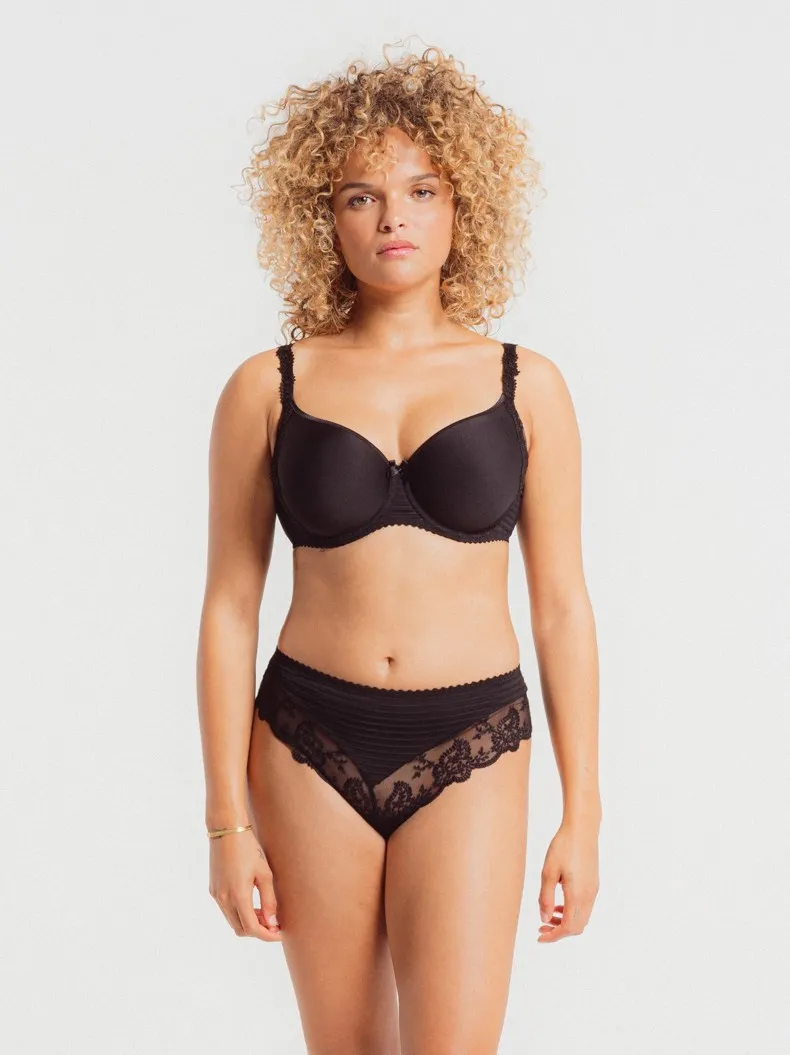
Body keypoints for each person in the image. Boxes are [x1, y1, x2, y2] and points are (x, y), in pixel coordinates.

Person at [196, 44, 601, 1055]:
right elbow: (228, 607)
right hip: (305, 737)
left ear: (463, 205)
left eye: (421, 190)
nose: (393, 219)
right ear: (323, 216)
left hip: (474, 738)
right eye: (360, 197)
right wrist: (226, 822)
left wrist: (583, 811)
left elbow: (561, 606)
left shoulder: (527, 385)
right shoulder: (267, 386)